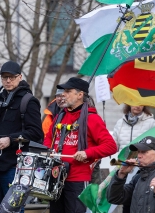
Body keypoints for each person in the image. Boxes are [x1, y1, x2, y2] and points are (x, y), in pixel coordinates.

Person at [0, 61, 43, 213]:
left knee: (12, 210)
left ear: (20, 77)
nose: (8, 81)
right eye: (4, 77)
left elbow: (36, 133)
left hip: (14, 167)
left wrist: (10, 140)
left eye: (11, 77)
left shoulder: (28, 101)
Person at [43, 77, 117, 213]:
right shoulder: (60, 116)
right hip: (56, 177)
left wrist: (87, 153)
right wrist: (48, 150)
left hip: (77, 179)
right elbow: (49, 138)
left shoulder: (92, 118)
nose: (63, 94)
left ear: (80, 95)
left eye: (68, 91)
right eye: (63, 91)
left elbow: (111, 146)